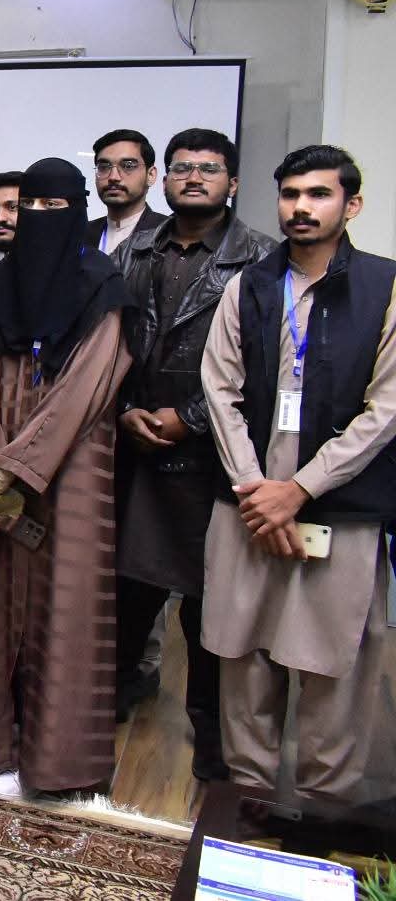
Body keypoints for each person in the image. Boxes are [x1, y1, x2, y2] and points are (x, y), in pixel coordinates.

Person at [200, 144, 395, 801]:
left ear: (351, 204)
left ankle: (323, 809)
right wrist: (257, 490)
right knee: (242, 658)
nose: (301, 207)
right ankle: (248, 801)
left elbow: (386, 409)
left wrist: (300, 488)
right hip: (247, 505)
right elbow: (219, 390)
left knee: (333, 666)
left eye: (318, 194)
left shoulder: (385, 287)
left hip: (340, 508)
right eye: (290, 195)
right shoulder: (249, 285)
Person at [0, 157, 133, 801]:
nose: (40, 219)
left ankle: (53, 766)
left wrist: (16, 466)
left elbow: (88, 386)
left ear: (78, 212)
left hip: (72, 471)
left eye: (56, 209)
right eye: (31, 207)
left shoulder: (103, 287)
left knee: (65, 614)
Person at [112, 127, 273, 782]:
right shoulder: (134, 250)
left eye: (209, 168)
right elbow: (108, 344)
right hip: (136, 448)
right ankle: (111, 702)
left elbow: (263, 369)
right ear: (165, 178)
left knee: (211, 608)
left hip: (215, 459)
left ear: (232, 182)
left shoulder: (262, 258)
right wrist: (123, 409)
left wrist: (192, 419)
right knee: (125, 596)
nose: (194, 177)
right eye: (182, 167)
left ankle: (213, 736)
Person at [87, 129, 165, 256]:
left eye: (128, 166)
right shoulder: (79, 234)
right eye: (104, 167)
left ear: (150, 175)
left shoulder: (169, 234)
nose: (113, 177)